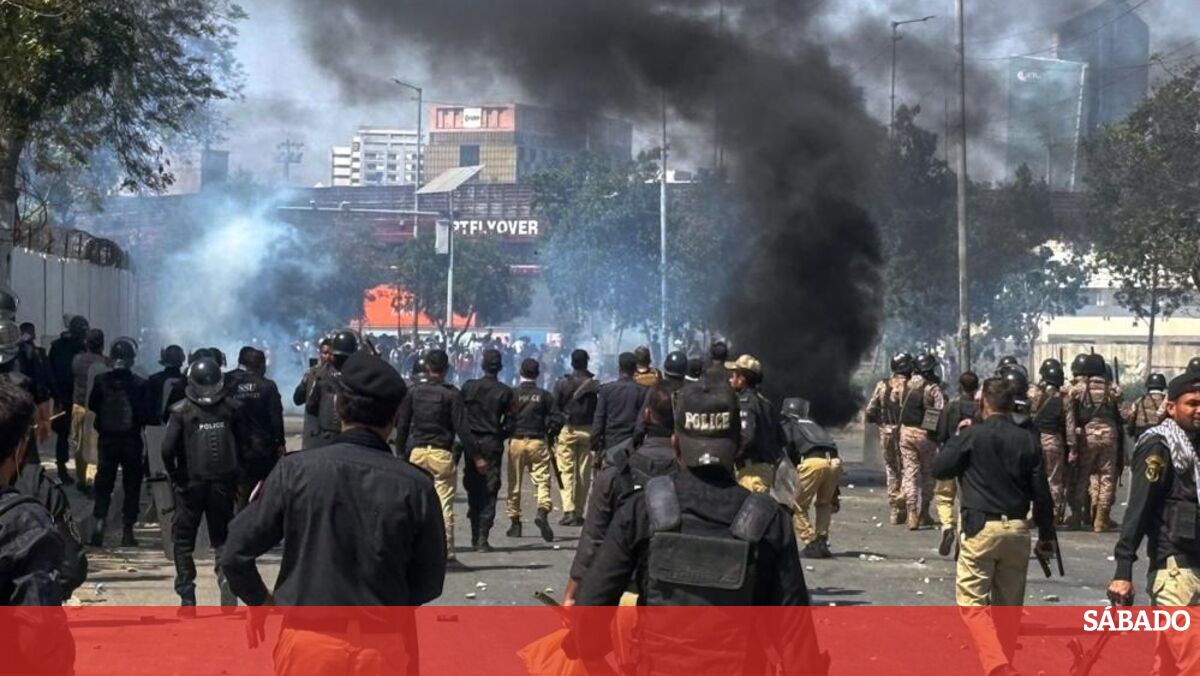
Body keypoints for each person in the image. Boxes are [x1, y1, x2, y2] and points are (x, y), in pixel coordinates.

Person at [573, 376, 819, 673]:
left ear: (676, 444)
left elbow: (589, 615)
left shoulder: (642, 510)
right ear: (739, 446)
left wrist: (595, 655)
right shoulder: (769, 520)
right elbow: (798, 646)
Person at [221, 351, 442, 675]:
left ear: (337, 406)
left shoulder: (294, 471)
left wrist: (261, 602)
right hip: (382, 649)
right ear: (395, 416)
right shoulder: (416, 485)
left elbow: (234, 553)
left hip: (310, 646)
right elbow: (429, 582)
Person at [932, 377, 1056, 676]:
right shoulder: (1027, 439)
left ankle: (997, 665)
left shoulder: (971, 435)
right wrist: (1046, 536)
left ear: (981, 403)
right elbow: (1042, 494)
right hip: (1017, 530)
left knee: (972, 603)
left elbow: (940, 468)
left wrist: (958, 437)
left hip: (981, 529)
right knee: (1009, 609)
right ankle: (1003, 663)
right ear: (1011, 404)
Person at [1109, 371, 1200, 673]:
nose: (1199, 410)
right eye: (1192, 403)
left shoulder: (1195, 448)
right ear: (1171, 407)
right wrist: (1123, 570)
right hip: (1176, 571)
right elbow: (1139, 509)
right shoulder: (1159, 446)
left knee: (1169, 666)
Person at [565, 384, 679, 605]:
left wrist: (571, 594)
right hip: (675, 597)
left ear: (647, 414)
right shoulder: (690, 473)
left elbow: (592, 540)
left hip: (624, 592)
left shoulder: (617, 470)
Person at [162, 357, 246, 613]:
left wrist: (175, 476)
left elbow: (167, 450)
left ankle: (187, 597)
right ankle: (225, 578)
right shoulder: (232, 408)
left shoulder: (180, 411)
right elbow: (244, 446)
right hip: (223, 483)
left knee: (183, 541)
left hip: (190, 484)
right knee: (222, 537)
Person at [395, 348, 476, 562]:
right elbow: (462, 428)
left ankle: (412, 549)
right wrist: (477, 456)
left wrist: (400, 453)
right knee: (444, 505)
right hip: (441, 454)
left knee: (414, 504)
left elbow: (402, 425)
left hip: (417, 454)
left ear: (428, 367)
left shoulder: (413, 392)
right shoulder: (452, 394)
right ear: (447, 369)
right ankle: (447, 552)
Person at [87, 338, 149, 548]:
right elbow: (146, 414)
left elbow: (93, 405)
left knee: (104, 482)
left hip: (107, 440)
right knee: (132, 486)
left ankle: (99, 522)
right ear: (131, 360)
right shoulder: (140, 384)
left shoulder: (101, 380)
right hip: (132, 441)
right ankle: (127, 531)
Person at [460, 349, 513, 552]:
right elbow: (511, 423)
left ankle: (477, 534)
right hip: (491, 443)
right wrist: (499, 435)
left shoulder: (469, 387)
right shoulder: (505, 392)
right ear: (500, 367)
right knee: (489, 490)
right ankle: (482, 537)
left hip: (471, 443)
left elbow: (460, 416)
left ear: (482, 365)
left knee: (473, 487)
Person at [1065, 353, 1124, 532]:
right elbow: (1123, 411)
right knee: (1107, 477)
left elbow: (1070, 415)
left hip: (1087, 436)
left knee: (1082, 475)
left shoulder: (1079, 389)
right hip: (1110, 435)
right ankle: (1101, 519)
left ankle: (1077, 516)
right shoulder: (1112, 389)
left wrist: (1072, 443)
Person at [225, 347, 285, 510]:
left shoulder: (230, 384)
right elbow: (276, 418)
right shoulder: (267, 386)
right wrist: (280, 442)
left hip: (237, 448)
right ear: (260, 365)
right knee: (265, 492)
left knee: (240, 494)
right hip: (263, 450)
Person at [505, 358, 558, 542]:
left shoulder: (513, 394)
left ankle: (515, 523)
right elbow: (557, 418)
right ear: (538, 374)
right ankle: (542, 511)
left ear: (521, 372)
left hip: (517, 441)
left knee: (515, 483)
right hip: (538, 441)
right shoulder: (545, 395)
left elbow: (507, 418)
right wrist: (550, 433)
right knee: (542, 481)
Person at [781, 398, 841, 559]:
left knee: (797, 505)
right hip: (834, 462)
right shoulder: (814, 425)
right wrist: (835, 491)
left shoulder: (789, 425)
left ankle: (811, 541)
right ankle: (822, 540)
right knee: (824, 503)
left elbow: (787, 453)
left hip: (812, 462)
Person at [893, 353, 945, 529]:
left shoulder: (905, 385)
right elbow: (939, 411)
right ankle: (924, 512)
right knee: (927, 474)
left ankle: (911, 513)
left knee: (910, 473)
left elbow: (894, 400)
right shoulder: (933, 389)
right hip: (925, 435)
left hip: (906, 432)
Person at [933, 371, 980, 556]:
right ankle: (961, 535)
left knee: (944, 496)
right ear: (976, 388)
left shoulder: (950, 407)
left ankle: (946, 527)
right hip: (972, 462)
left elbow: (941, 434)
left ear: (960, 387)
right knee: (965, 501)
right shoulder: (981, 410)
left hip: (949, 457)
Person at [552, 349, 599, 527]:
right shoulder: (594, 385)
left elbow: (555, 409)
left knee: (566, 472)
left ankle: (568, 510)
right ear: (587, 363)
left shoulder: (562, 383)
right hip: (588, 431)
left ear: (572, 363)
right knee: (583, 474)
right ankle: (579, 512)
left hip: (568, 430)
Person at [864, 353, 913, 524]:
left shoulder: (883, 385)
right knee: (908, 467)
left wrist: (878, 421)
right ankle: (905, 499)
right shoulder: (913, 385)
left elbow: (870, 410)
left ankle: (895, 508)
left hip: (886, 431)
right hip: (907, 431)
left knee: (891, 468)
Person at [726, 354, 782, 495]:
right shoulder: (766, 403)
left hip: (750, 474)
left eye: (734, 375)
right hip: (765, 471)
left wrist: (729, 456)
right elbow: (781, 438)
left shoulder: (745, 402)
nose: (730, 379)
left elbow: (747, 437)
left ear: (742, 379)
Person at [1028, 359, 1072, 528]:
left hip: (1034, 441)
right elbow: (1069, 426)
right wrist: (1073, 447)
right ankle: (1051, 515)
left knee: (1034, 477)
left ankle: (1033, 513)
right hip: (1054, 441)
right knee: (1053, 480)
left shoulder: (1035, 395)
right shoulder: (1064, 400)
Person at [48, 315, 88, 485]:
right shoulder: (81, 348)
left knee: (64, 435)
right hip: (76, 398)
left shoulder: (57, 346)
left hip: (63, 396)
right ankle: (76, 472)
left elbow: (50, 371)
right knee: (79, 436)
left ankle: (63, 468)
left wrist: (54, 394)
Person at [69, 328, 109, 496]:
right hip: (97, 409)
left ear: (86, 343)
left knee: (79, 445)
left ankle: (81, 479)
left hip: (79, 407)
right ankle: (92, 480)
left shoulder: (77, 360)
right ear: (102, 344)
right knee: (94, 445)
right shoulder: (106, 362)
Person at [303, 330, 357, 450]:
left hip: (331, 436)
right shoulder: (358, 376)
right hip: (343, 437)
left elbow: (311, 405)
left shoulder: (321, 374)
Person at [592, 352, 648, 460]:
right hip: (632, 448)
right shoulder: (643, 391)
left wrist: (594, 445)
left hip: (610, 447)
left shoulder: (606, 390)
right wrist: (635, 443)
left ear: (619, 368)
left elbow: (599, 420)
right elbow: (641, 424)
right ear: (635, 369)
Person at [293, 337, 330, 448]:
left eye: (331, 354)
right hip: (313, 433)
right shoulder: (312, 374)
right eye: (325, 353)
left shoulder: (338, 375)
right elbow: (297, 399)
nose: (328, 357)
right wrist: (305, 382)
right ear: (320, 354)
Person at [148, 346, 187, 424]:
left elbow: (148, 406)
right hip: (182, 426)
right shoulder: (187, 381)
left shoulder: (154, 379)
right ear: (182, 359)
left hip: (156, 426)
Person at [1127, 373, 1167, 439]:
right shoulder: (1167, 401)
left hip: (1141, 433)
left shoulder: (1139, 401)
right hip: (1162, 434)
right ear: (1163, 387)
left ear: (1148, 387)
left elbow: (1132, 417)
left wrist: (1130, 431)